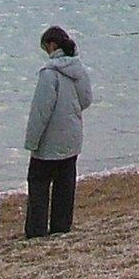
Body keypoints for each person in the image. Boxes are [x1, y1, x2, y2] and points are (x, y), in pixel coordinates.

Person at [24, 25, 93, 238]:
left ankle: (37, 230)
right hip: (72, 137)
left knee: (38, 184)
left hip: (49, 142)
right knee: (65, 184)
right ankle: (61, 226)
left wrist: (31, 142)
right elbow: (86, 100)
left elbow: (40, 112)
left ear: (52, 45)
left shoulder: (49, 74)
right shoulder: (78, 69)